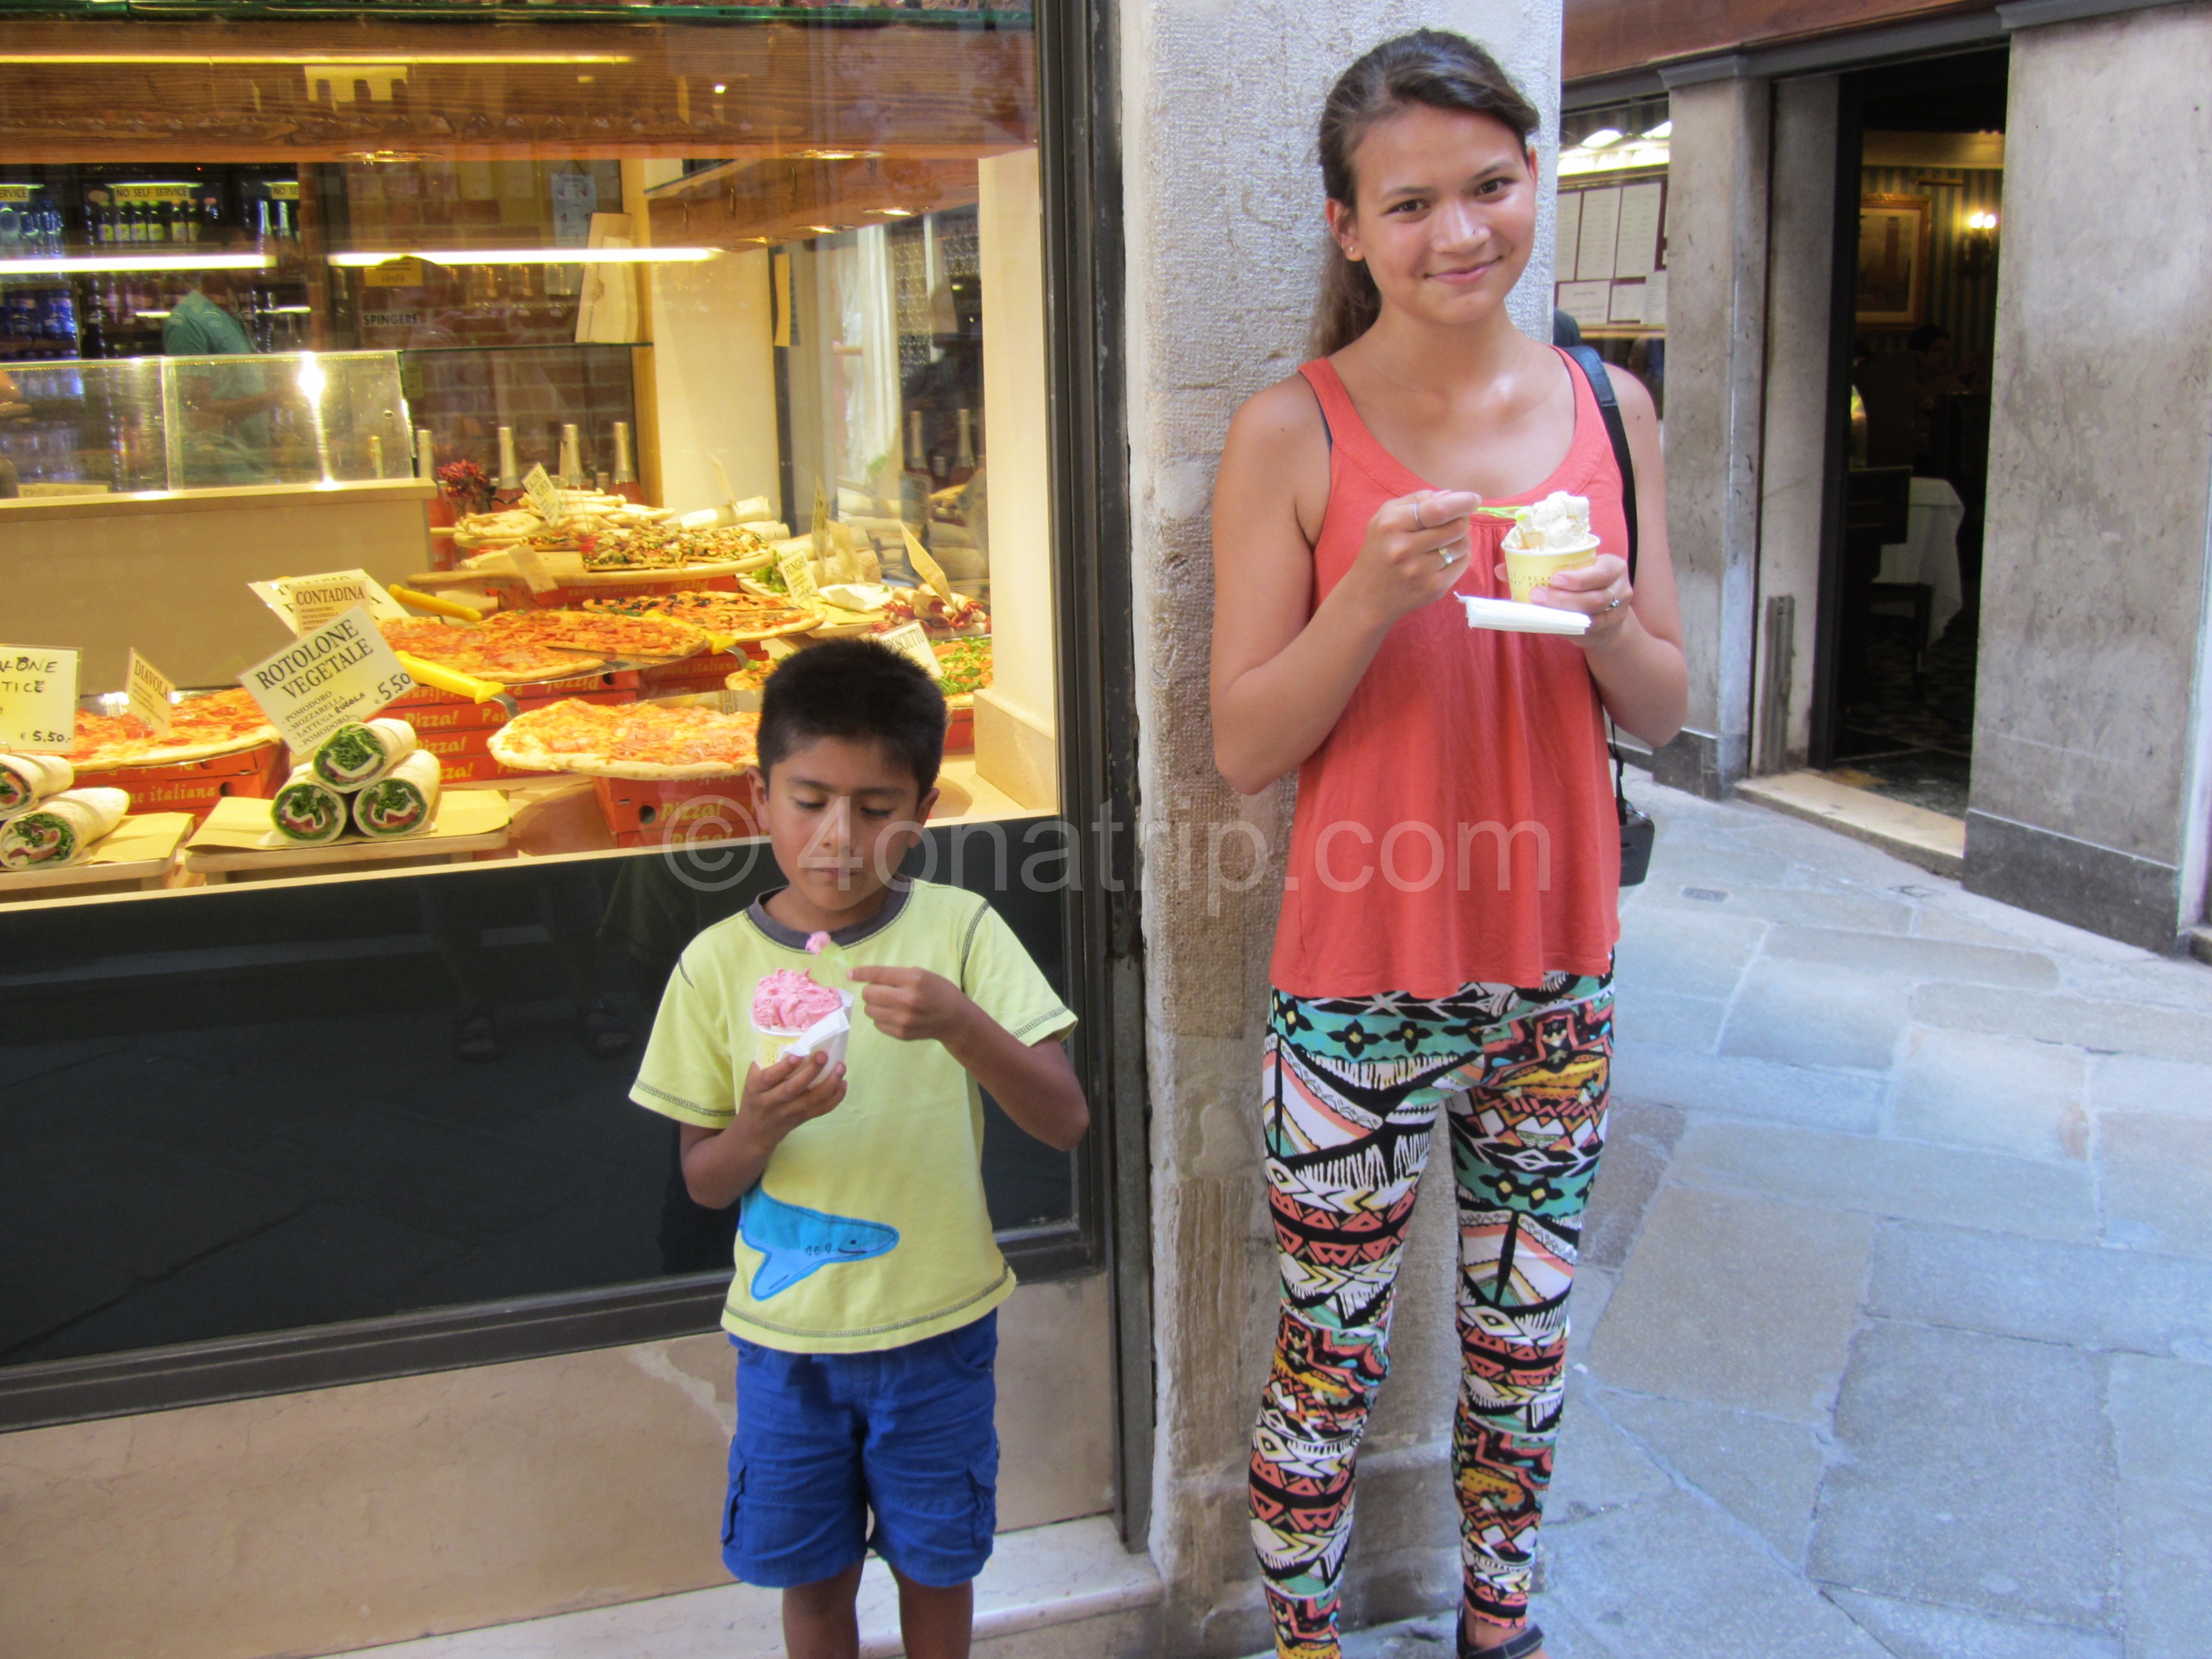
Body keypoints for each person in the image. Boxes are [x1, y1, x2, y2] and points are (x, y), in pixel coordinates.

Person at [1209, 31, 1687, 1659]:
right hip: (1357, 993)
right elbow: (1244, 744)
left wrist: (1609, 619)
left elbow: (1672, 705)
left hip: (1559, 976)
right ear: (1349, 227)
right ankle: (1303, 1645)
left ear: (1536, 180)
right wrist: (1366, 599)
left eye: (1492, 186)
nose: (1460, 232)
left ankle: (1502, 1627)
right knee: (1328, 1358)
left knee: (1526, 1344)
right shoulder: (1298, 433)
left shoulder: (1613, 411)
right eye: (1409, 204)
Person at [629, 638, 1089, 1659]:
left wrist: (963, 1027)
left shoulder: (961, 933)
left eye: (877, 810)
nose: (839, 837)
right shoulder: (715, 967)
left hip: (938, 1331)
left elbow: (1064, 1118)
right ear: (759, 798)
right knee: (814, 1581)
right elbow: (703, 1183)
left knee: (939, 1570)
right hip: (787, 1349)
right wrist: (758, 1127)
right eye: (810, 799)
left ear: (922, 813)